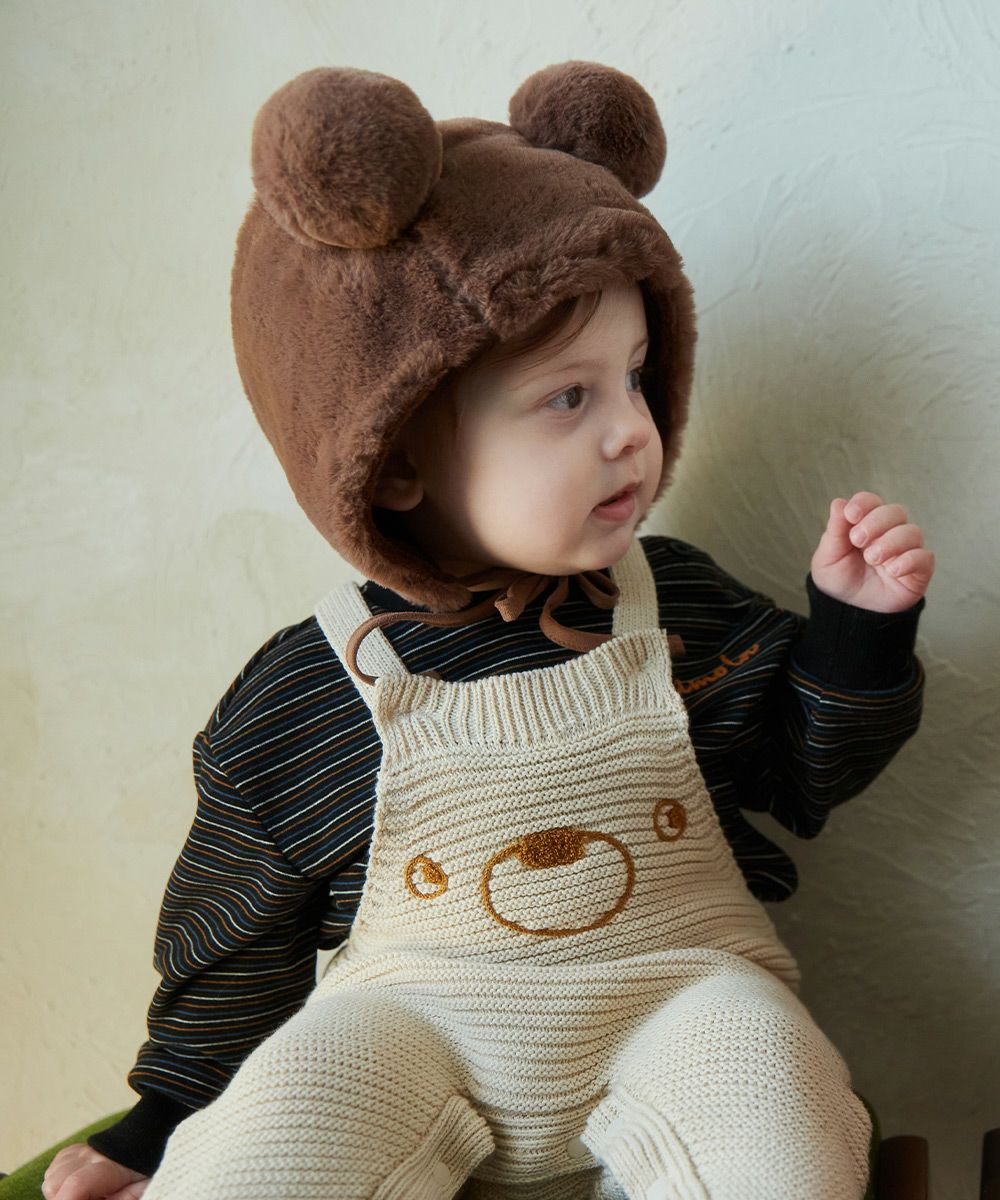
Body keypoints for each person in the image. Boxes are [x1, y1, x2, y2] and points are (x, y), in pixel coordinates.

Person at [43, 62, 934, 1200]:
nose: (634, 429)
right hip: (413, 1033)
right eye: (569, 397)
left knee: (779, 1109)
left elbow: (802, 770)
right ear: (390, 460)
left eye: (637, 377)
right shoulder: (314, 686)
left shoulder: (676, 603)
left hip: (679, 1000)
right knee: (272, 1135)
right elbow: (236, 930)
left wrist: (856, 630)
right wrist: (158, 1121)